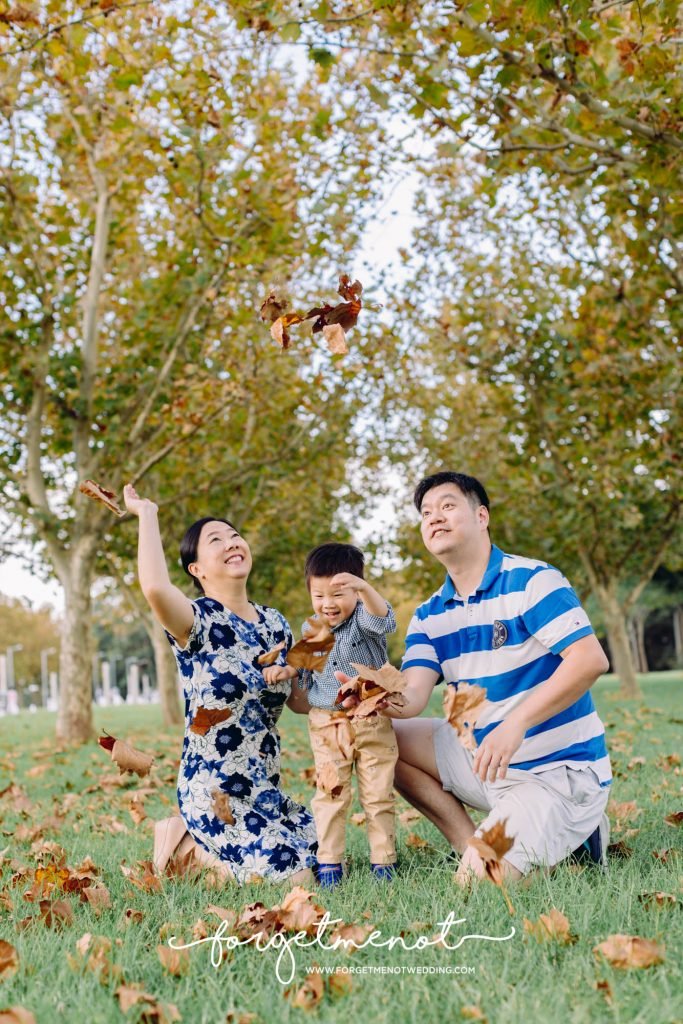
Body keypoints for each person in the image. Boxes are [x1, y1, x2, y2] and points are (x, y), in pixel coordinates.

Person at [375, 472, 611, 884]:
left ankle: (576, 838)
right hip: (485, 763)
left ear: (481, 516)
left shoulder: (533, 581)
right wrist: (373, 698)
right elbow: (412, 694)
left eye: (448, 506)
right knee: (382, 736)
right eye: (426, 513)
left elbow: (589, 660)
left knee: (479, 883)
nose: (435, 518)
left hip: (555, 773)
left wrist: (516, 723)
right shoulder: (430, 615)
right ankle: (467, 842)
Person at [123, 484, 317, 886]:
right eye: (216, 539)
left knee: (328, 859)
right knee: (295, 880)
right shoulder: (195, 622)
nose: (232, 542)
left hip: (264, 788)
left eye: (234, 535)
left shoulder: (274, 623)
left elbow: (300, 702)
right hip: (214, 793)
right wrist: (147, 513)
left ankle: (198, 850)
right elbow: (156, 588)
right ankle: (185, 846)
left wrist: (342, 681)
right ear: (197, 569)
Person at [271, 543, 397, 887]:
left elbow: (384, 619)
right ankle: (329, 864)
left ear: (356, 590)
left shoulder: (364, 621)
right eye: (319, 594)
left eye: (338, 593)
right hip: (327, 723)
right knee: (330, 792)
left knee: (378, 792)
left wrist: (365, 589)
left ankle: (383, 861)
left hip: (371, 719)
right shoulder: (313, 628)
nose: (328, 604)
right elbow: (302, 669)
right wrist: (287, 671)